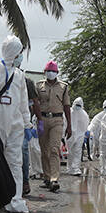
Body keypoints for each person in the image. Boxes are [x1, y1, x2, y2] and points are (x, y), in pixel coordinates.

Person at [0, 35, 34, 213]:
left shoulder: (19, 75)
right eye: (19, 53)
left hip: (15, 125)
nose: (20, 57)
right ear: (13, 53)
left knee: (15, 162)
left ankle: (15, 199)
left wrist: (27, 124)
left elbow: (23, 103)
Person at [36, 60, 72, 193]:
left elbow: (67, 106)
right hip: (43, 119)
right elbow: (35, 103)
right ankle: (46, 177)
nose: (50, 73)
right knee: (44, 150)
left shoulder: (64, 86)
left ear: (57, 73)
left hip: (57, 120)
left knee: (54, 149)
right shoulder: (39, 85)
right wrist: (36, 121)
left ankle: (54, 179)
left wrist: (69, 125)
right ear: (44, 72)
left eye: (53, 71)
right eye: (48, 71)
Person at [22, 69, 42, 195]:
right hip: (5, 119)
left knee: (24, 150)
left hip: (23, 121)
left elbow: (35, 102)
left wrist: (40, 120)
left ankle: (24, 181)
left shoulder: (27, 82)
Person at [65, 97, 89, 176]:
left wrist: (85, 133)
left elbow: (86, 124)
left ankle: (76, 168)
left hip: (80, 135)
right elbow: (64, 122)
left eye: (79, 105)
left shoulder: (84, 114)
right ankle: (69, 168)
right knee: (70, 152)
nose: (77, 106)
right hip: (70, 134)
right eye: (76, 104)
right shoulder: (69, 112)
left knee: (78, 151)